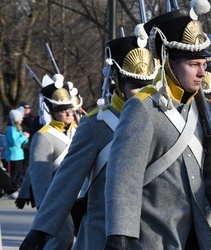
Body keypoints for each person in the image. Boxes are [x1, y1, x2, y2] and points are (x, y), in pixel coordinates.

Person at [103, 3, 211, 249]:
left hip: (195, 233)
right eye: (194, 65)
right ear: (170, 63)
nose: (202, 73)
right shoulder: (142, 107)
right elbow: (124, 177)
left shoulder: (202, 106)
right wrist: (119, 233)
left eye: (203, 65)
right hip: (154, 236)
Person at [19, 35, 158, 250]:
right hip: (102, 234)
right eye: (135, 85)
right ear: (118, 82)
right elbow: (66, 180)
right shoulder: (96, 125)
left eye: (147, 85)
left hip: (152, 236)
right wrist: (41, 227)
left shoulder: (161, 119)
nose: (142, 94)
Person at [17, 73, 79, 250]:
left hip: (79, 197)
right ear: (51, 111)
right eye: (62, 110)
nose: (68, 113)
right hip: (56, 200)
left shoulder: (78, 133)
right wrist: (46, 211)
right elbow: (40, 178)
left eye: (69, 109)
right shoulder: (43, 136)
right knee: (61, 240)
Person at [5, 108, 30, 199]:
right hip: (13, 155)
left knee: (19, 173)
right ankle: (11, 190)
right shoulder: (10, 129)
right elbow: (14, 142)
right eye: (20, 118)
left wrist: (25, 138)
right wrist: (24, 137)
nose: (22, 119)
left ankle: (16, 188)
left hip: (19, 154)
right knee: (14, 174)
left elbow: (22, 141)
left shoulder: (17, 128)